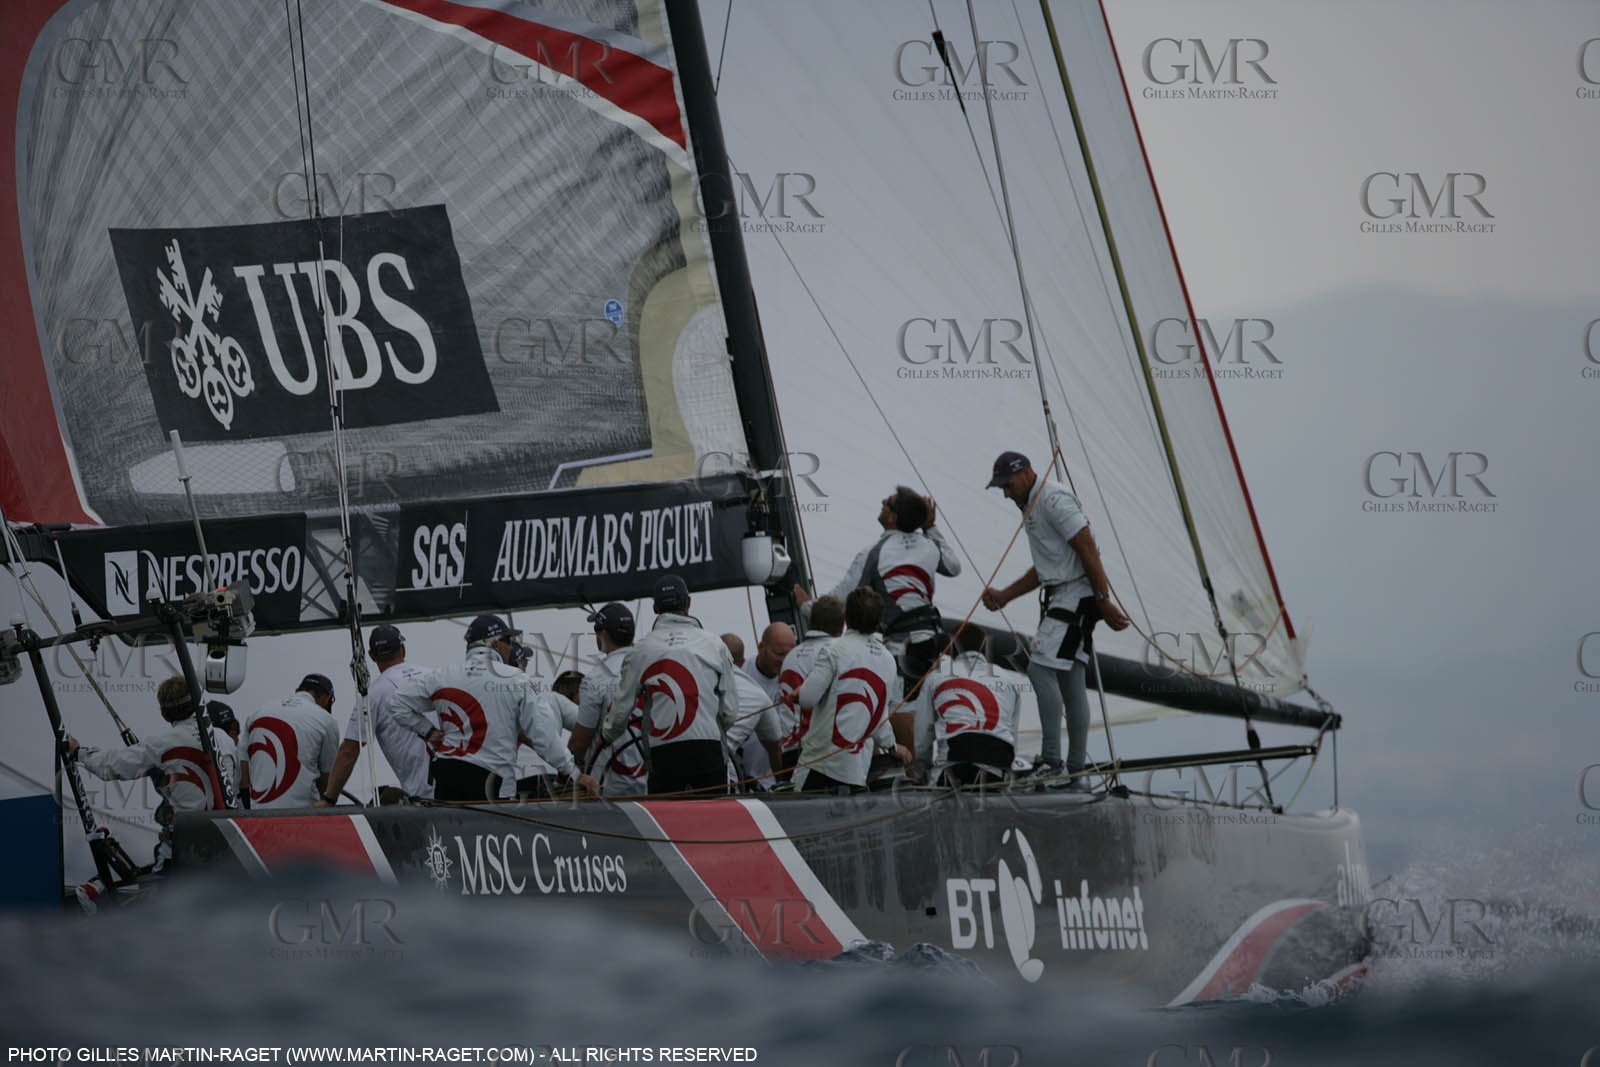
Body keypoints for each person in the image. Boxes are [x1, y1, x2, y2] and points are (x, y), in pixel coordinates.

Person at [981, 451, 1129, 788]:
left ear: (1027, 472)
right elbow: (1048, 566)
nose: (1005, 493)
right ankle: (1075, 771)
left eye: (1007, 484)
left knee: (1039, 667)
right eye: (1001, 488)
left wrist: (1104, 601)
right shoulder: (1030, 505)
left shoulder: (1052, 500)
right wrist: (1005, 595)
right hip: (1066, 595)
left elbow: (1088, 548)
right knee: (1071, 680)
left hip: (1076, 596)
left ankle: (1052, 761)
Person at [391, 614, 598, 802]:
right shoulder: (517, 679)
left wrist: (428, 731)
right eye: (509, 641)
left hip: (446, 774)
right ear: (497, 644)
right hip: (491, 782)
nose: (511, 648)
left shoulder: (440, 676)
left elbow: (396, 703)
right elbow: (543, 734)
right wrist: (574, 773)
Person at [794, 486, 960, 697]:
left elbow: (839, 599)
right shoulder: (929, 544)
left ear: (893, 518)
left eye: (888, 503)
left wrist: (806, 606)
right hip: (933, 642)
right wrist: (931, 527)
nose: (882, 501)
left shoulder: (872, 553)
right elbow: (954, 567)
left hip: (901, 650)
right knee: (923, 712)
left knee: (898, 715)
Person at [601, 575, 739, 795]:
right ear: (688, 603)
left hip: (663, 754)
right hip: (709, 751)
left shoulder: (640, 651)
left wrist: (604, 737)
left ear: (655, 607)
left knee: (666, 824)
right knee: (714, 823)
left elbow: (618, 718)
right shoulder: (715, 645)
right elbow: (730, 713)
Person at [783, 588, 911, 793]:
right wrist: (893, 746)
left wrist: (797, 694)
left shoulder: (834, 650)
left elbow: (807, 699)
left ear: (847, 619)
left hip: (821, 765)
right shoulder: (888, 660)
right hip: (856, 771)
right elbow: (880, 716)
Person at [69, 676, 238, 815]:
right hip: (230, 837)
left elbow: (110, 767)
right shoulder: (227, 740)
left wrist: (79, 752)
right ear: (200, 702)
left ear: (164, 715)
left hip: (190, 841)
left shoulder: (160, 745)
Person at [320, 625, 436, 806]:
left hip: (423, 799)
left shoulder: (372, 695)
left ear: (372, 656)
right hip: (460, 790)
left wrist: (329, 798)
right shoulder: (435, 676)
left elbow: (349, 750)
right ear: (403, 649)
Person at [914, 625, 1026, 786]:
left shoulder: (935, 677)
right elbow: (1012, 734)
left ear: (951, 649)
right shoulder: (1008, 679)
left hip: (953, 767)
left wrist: (922, 769)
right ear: (985, 649)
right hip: (996, 768)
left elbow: (923, 733)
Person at [568, 602, 647, 797]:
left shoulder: (596, 678)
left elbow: (578, 743)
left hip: (609, 788)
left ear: (602, 634)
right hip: (652, 785)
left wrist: (568, 774)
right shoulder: (651, 667)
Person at [241, 673, 341, 808]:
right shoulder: (325, 720)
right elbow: (328, 779)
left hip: (258, 815)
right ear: (326, 698)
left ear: (297, 691)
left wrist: (248, 810)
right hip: (302, 817)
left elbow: (243, 767)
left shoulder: (256, 715)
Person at [776, 594, 845, 775]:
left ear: (811, 621)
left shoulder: (790, 656)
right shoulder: (842, 652)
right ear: (842, 625)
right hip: (826, 753)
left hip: (791, 754)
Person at [720, 633, 785, 791]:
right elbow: (775, 747)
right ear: (742, 662)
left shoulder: (701, 680)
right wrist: (781, 782)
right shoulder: (758, 694)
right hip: (722, 768)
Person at [737, 622, 795, 786]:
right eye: (779, 654)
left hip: (785, 776)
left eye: (789, 654)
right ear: (761, 647)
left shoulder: (795, 674)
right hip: (749, 779)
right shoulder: (741, 676)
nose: (784, 661)